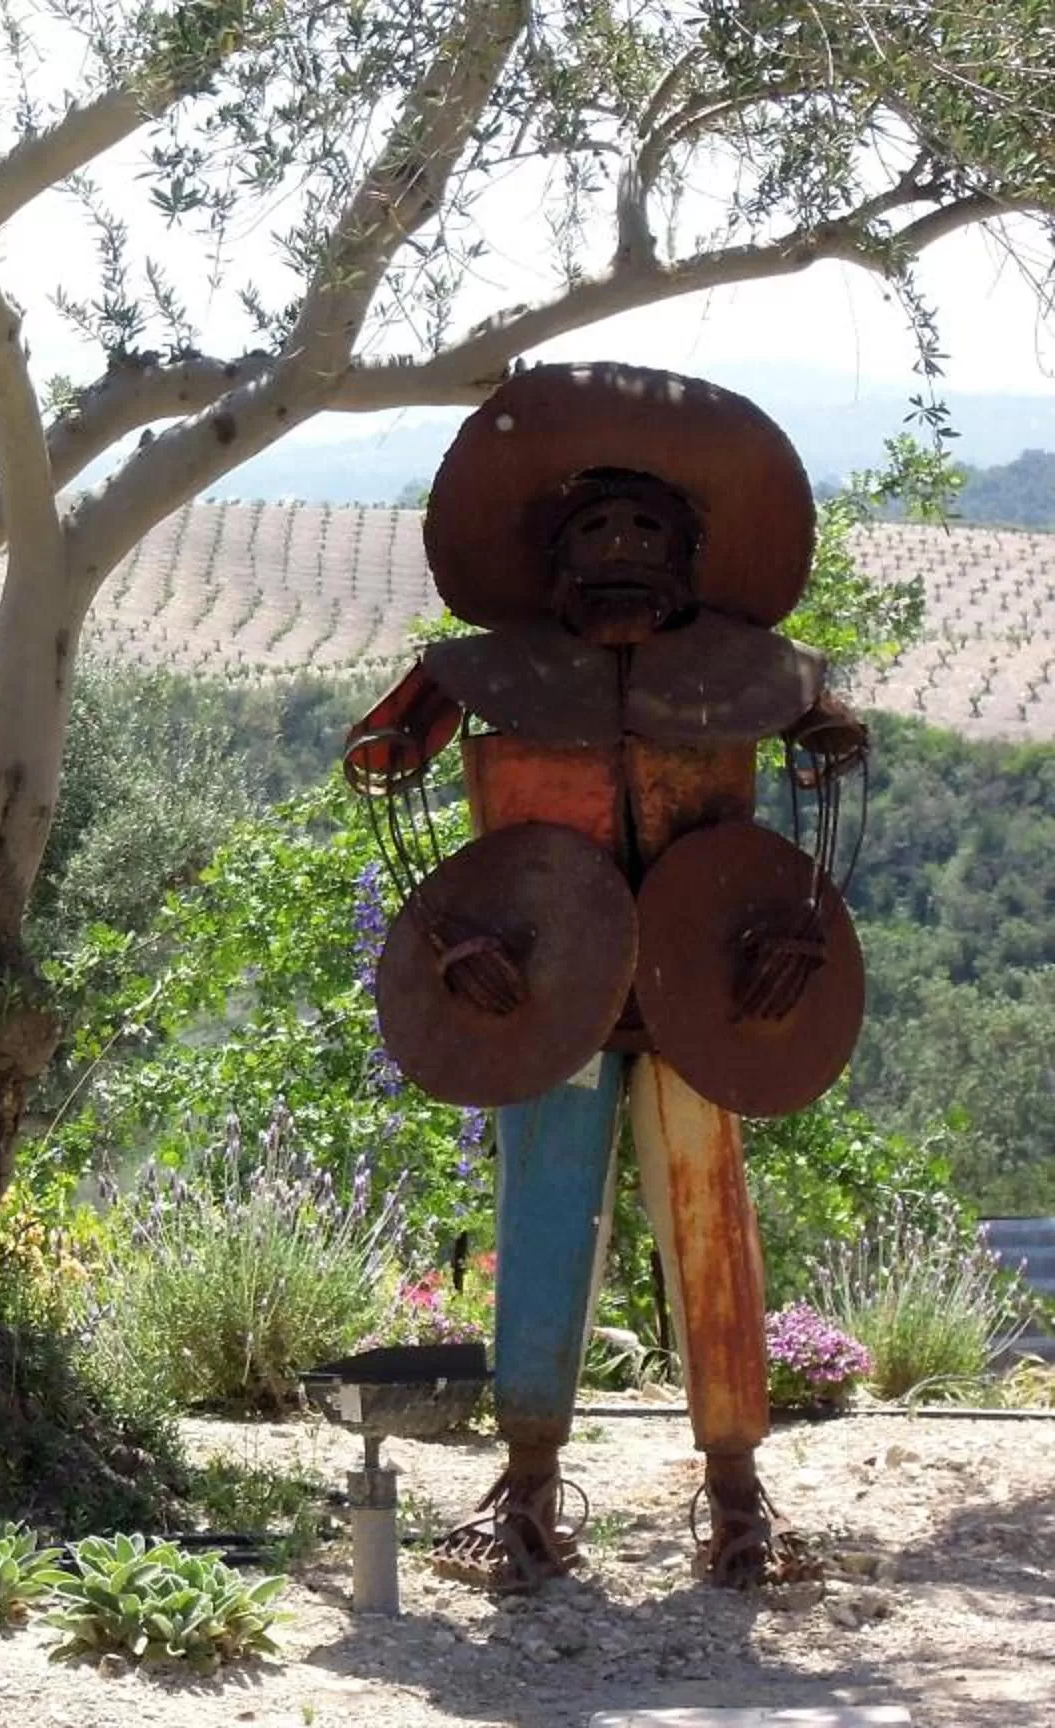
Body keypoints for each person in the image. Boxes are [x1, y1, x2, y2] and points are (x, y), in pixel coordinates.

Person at [345, 364, 867, 1592]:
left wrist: (800, 917)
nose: (622, 547)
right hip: (543, 991)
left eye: (646, 528)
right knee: (543, 1216)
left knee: (714, 1227)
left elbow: (837, 750)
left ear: (690, 555)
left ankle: (737, 1496)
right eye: (595, 528)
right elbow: (381, 765)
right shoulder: (479, 673)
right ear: (550, 554)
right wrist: (447, 934)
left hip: (708, 991)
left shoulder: (754, 669)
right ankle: (525, 1483)